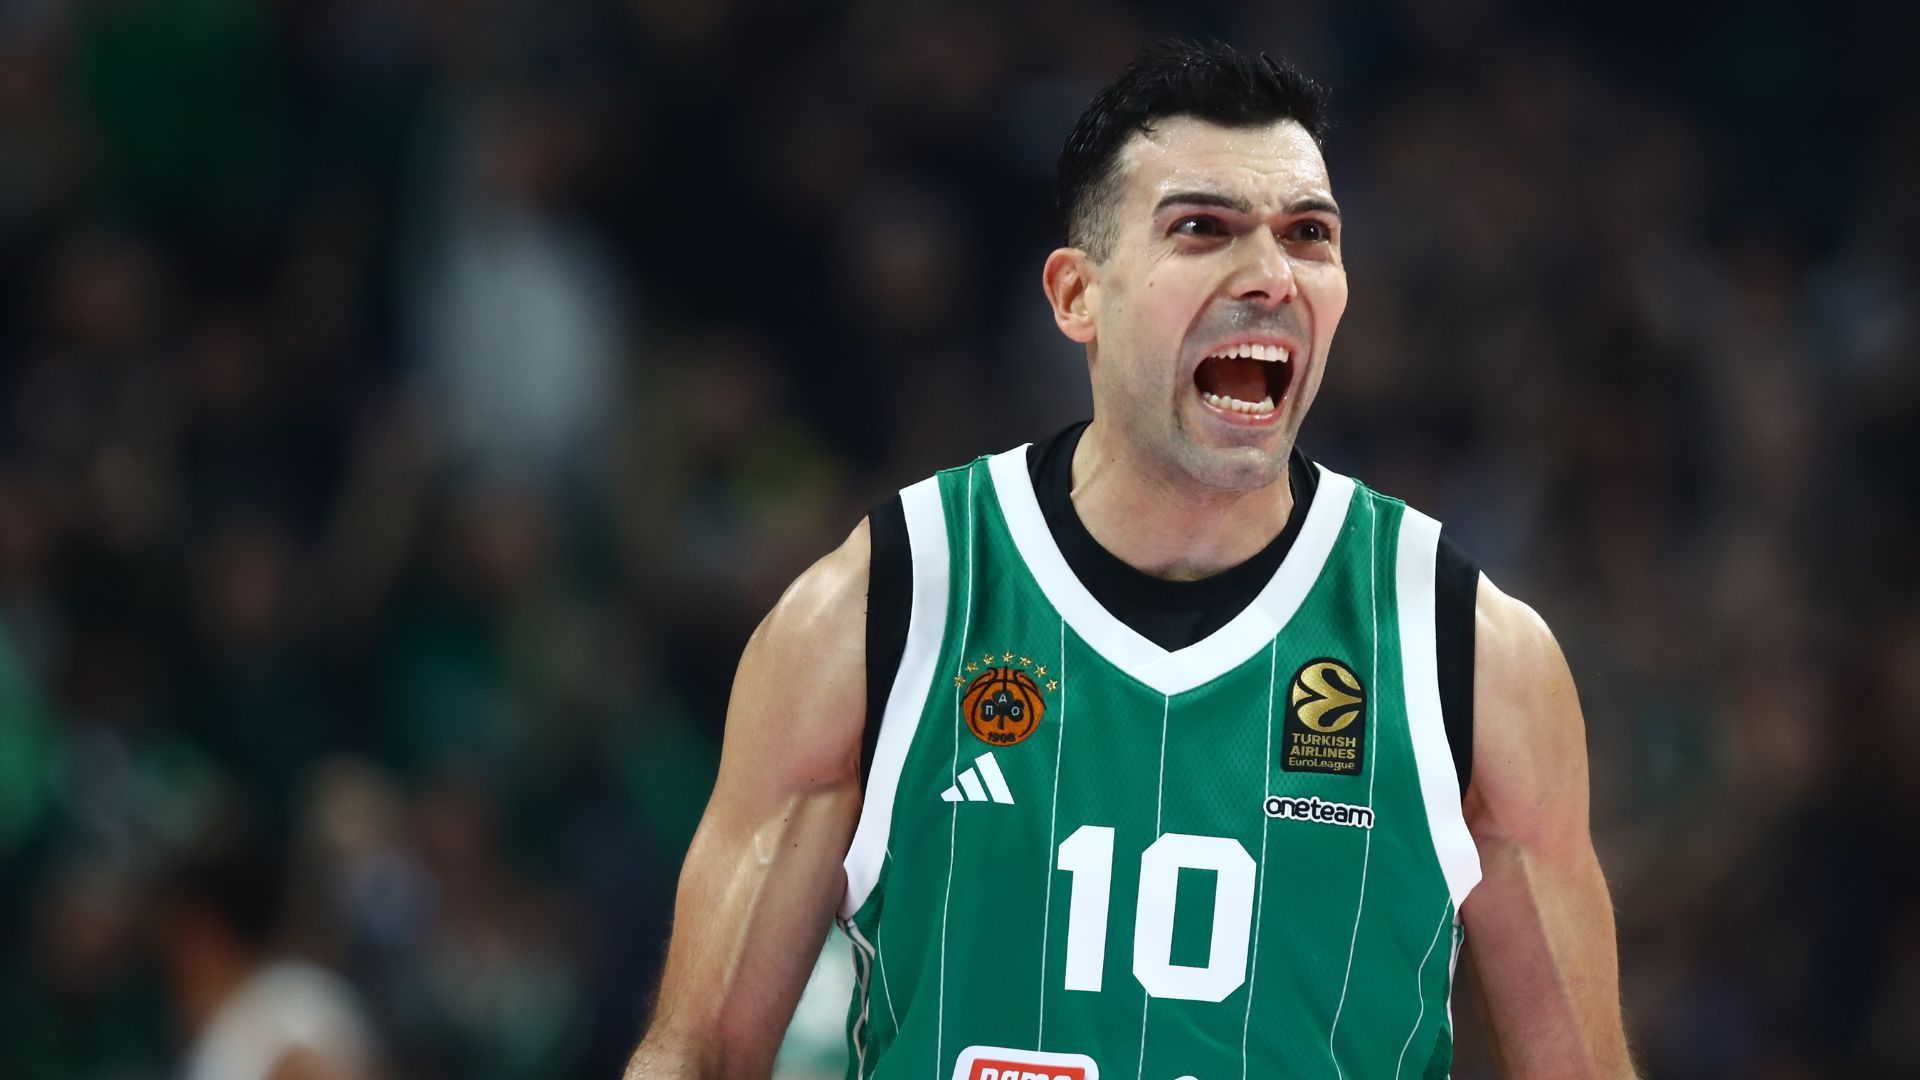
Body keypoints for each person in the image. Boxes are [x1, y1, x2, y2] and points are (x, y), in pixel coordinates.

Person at [626, 39, 1634, 1080]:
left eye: (1309, 235)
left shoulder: (1465, 652)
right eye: (1203, 229)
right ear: (1077, 295)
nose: (1271, 276)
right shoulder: (886, 606)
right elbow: (699, 1054)